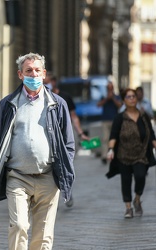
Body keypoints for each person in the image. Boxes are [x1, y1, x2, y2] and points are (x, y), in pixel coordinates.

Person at [0, 53, 75, 250]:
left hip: (48, 177)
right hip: (17, 177)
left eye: (37, 70)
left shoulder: (57, 104)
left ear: (44, 73)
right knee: (19, 225)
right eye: (28, 70)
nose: (33, 74)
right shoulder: (8, 104)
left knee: (43, 236)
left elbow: (69, 144)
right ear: (20, 74)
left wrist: (64, 172)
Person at [106, 88, 156, 218]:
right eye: (128, 97)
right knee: (125, 180)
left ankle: (137, 198)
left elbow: (151, 134)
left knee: (140, 176)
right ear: (124, 100)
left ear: (137, 99)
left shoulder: (144, 117)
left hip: (141, 154)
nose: (131, 99)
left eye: (133, 96)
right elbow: (113, 135)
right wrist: (110, 150)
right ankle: (128, 208)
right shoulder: (120, 118)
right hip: (123, 154)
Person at [44, 72, 89, 208]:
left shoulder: (65, 98)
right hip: (47, 137)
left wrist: (80, 133)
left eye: (47, 82)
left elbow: (74, 117)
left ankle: (66, 189)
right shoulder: (40, 97)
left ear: (54, 82)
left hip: (64, 136)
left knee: (65, 165)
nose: (45, 85)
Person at [97, 80, 122, 164]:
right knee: (105, 139)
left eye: (111, 87)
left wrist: (113, 99)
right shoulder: (103, 96)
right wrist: (107, 99)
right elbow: (98, 105)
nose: (109, 89)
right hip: (105, 120)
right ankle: (104, 156)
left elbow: (120, 105)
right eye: (108, 88)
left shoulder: (116, 96)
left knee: (115, 139)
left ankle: (115, 156)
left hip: (114, 120)